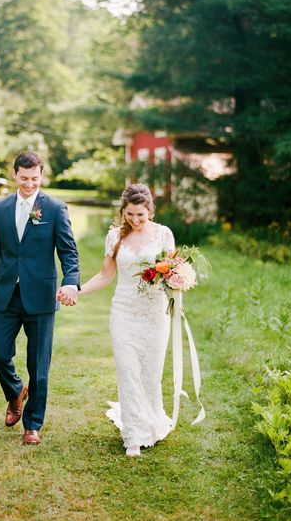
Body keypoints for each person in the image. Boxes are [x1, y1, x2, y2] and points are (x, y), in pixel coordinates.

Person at [0, 151, 80, 446]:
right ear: (14, 175)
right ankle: (15, 392)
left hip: (41, 296)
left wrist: (71, 282)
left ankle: (33, 424)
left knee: (39, 364)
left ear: (41, 175)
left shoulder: (55, 208)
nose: (29, 184)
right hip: (7, 294)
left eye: (34, 179)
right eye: (24, 178)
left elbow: (69, 252)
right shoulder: (0, 208)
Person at [78, 184, 174, 457]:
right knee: (128, 371)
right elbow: (105, 276)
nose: (135, 220)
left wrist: (178, 285)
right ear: (123, 211)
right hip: (124, 312)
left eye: (140, 215)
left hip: (155, 314)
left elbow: (171, 273)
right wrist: (78, 291)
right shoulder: (115, 237)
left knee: (150, 373)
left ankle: (151, 422)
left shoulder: (164, 234)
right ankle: (133, 435)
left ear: (150, 212)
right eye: (130, 214)